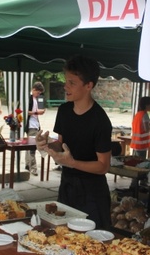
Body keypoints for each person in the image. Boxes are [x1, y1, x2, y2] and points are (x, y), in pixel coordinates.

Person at [36, 55, 112, 230]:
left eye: (72, 82)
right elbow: (62, 146)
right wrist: (46, 144)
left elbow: (103, 166)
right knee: (64, 236)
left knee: (92, 244)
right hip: (67, 186)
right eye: (66, 81)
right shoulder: (64, 111)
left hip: (93, 192)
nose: (65, 86)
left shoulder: (100, 120)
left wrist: (72, 163)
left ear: (88, 85)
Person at [25, 81, 46, 176]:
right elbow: (25, 111)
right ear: (34, 89)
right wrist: (36, 113)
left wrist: (40, 111)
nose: (39, 94)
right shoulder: (28, 98)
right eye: (38, 92)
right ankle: (33, 168)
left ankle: (27, 164)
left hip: (36, 124)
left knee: (28, 146)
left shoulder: (36, 99)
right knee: (33, 146)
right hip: (31, 124)